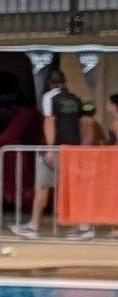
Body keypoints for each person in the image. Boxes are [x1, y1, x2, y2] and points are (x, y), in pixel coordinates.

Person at [12, 67, 95, 240]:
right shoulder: (75, 99)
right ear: (64, 82)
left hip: (56, 149)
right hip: (73, 150)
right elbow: (86, 124)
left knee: (43, 186)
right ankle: (83, 227)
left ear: (49, 84)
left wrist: (50, 148)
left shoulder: (49, 97)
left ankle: (36, 227)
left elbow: (49, 121)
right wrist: (83, 146)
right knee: (71, 187)